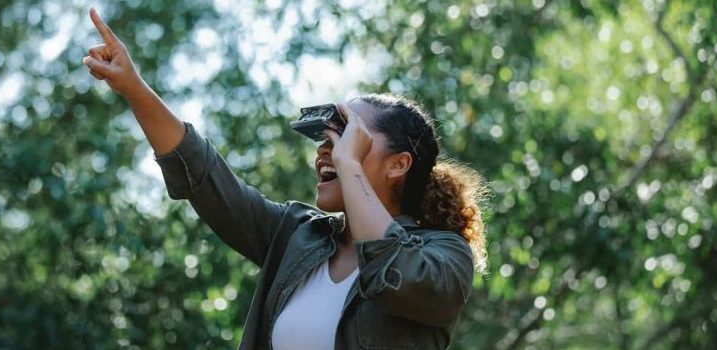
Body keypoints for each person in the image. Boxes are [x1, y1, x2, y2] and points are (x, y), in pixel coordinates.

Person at [82, 7, 488, 350]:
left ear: (398, 164)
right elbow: (204, 176)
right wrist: (134, 88)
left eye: (346, 133)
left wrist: (348, 166)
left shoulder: (444, 257)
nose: (326, 149)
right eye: (326, 138)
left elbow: (394, 276)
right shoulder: (298, 236)